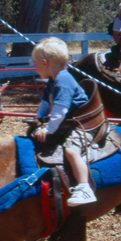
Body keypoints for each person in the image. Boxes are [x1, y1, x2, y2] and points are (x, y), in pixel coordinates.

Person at [32, 37, 97, 206]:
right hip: (67, 121)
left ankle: (84, 187)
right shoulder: (53, 81)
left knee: (71, 150)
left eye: (36, 63)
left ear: (45, 62)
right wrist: (38, 118)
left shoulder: (63, 80)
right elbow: (46, 103)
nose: (35, 67)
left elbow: (60, 109)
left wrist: (48, 130)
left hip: (82, 122)